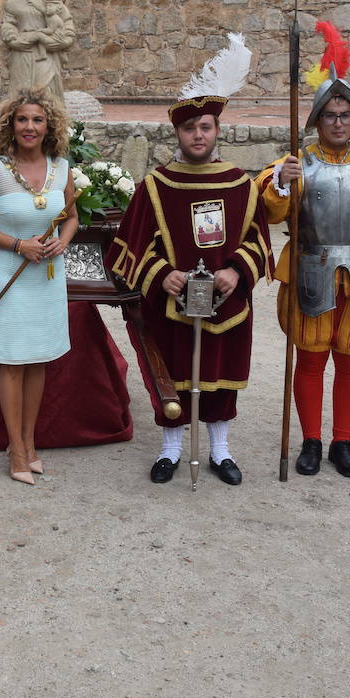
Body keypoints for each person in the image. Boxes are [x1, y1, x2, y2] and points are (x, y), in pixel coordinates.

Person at [108, 34, 271, 485]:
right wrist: (164, 275)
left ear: (218, 131)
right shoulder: (155, 187)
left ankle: (220, 449)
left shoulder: (242, 184)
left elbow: (259, 241)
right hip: (172, 303)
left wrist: (236, 272)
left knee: (221, 372)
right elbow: (127, 249)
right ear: (176, 134)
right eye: (189, 129)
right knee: (174, 375)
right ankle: (171, 448)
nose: (198, 135)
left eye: (205, 127)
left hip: (226, 300)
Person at [256, 23, 350, 478]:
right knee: (311, 357)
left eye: (345, 115)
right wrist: (282, 183)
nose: (338, 122)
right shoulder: (296, 164)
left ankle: (342, 441)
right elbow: (271, 209)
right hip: (311, 269)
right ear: (317, 120)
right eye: (329, 115)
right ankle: (311, 440)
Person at [0, 90, 77, 484]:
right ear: (10, 125)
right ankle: (15, 448)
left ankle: (31, 444)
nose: (30, 127)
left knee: (38, 360)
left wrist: (62, 240)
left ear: (50, 127)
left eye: (38, 120)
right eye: (22, 119)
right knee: (13, 361)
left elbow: (71, 216)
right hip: (9, 276)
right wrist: (19, 245)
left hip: (47, 277)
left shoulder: (61, 168)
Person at [1, 0, 75, 100]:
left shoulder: (51, 1)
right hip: (22, 55)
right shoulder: (12, 3)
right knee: (20, 97)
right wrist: (15, 39)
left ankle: (52, 121)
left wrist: (65, 41)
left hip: (47, 55)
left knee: (47, 96)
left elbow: (67, 22)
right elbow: (8, 27)